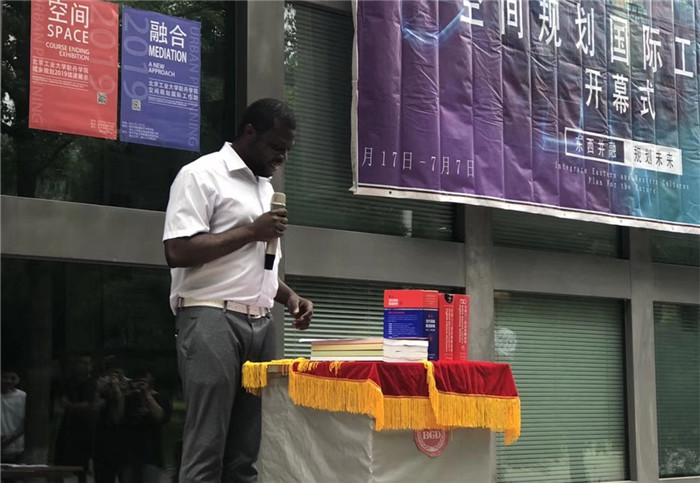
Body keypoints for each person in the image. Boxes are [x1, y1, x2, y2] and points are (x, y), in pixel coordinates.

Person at [163, 98, 314, 482]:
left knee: (246, 453)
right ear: (249, 133)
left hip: (261, 324)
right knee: (206, 448)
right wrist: (252, 231)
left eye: (287, 150)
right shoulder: (201, 175)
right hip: (211, 317)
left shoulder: (264, 187)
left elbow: (252, 264)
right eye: (276, 147)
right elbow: (177, 250)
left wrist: (289, 297)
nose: (282, 158)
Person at [1, 369, 26, 464]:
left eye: (12, 378)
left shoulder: (23, 396)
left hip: (16, 446)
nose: (8, 381)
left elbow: (27, 422)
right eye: (4, 377)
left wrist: (10, 438)